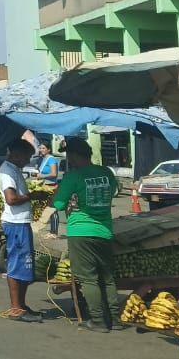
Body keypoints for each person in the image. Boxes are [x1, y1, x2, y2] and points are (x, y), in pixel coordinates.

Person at [36, 137, 118, 332]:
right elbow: (112, 192)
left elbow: (58, 204)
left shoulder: (73, 177)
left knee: (88, 278)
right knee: (107, 277)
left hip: (80, 232)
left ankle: (97, 320)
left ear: (73, 156)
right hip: (105, 231)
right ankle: (115, 317)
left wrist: (60, 197)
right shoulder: (106, 172)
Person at [0, 138, 42, 322]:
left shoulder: (14, 170)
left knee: (24, 264)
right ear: (16, 154)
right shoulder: (7, 172)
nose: (28, 160)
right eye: (27, 157)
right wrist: (32, 196)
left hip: (21, 222)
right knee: (17, 265)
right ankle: (15, 309)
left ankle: (21, 305)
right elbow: (11, 199)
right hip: (15, 223)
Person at [35, 142, 62, 238]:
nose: (41, 150)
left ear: (48, 149)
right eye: (40, 148)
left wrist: (42, 176)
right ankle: (51, 231)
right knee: (47, 208)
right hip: (45, 186)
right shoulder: (43, 159)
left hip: (51, 186)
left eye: (43, 148)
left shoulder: (51, 159)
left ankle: (54, 232)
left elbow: (54, 174)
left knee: (52, 208)